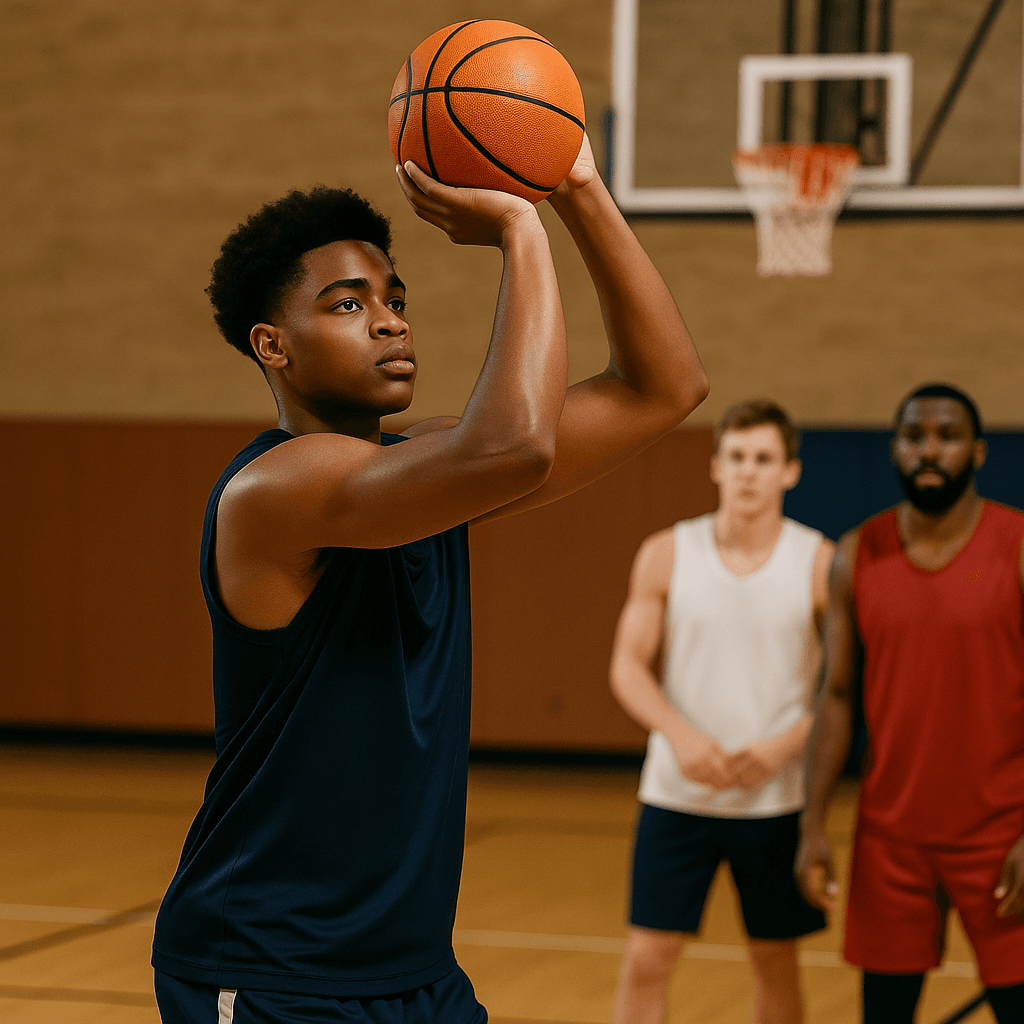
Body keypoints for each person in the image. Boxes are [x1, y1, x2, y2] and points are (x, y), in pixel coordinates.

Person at [149, 135, 707, 1024]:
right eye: (348, 303)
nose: (391, 321)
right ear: (272, 345)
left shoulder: (431, 472)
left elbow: (663, 388)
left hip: (415, 972)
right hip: (271, 968)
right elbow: (516, 445)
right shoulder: (272, 491)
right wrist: (521, 229)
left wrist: (579, 188)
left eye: (395, 299)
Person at [796, 383, 1024, 1024]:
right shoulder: (857, 553)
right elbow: (836, 696)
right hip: (891, 837)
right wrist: (812, 824)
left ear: (977, 452)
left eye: (948, 436)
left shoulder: (1016, 545)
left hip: (1002, 834)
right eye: (914, 436)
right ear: (894, 448)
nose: (929, 450)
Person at [609, 399, 833, 1024]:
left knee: (775, 959)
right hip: (677, 795)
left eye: (763, 458)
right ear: (715, 466)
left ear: (789, 471)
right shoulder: (666, 552)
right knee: (647, 956)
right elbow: (627, 667)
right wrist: (680, 737)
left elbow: (845, 687)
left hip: (775, 799)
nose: (748, 471)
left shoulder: (819, 563)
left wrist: (787, 745)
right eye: (736, 457)